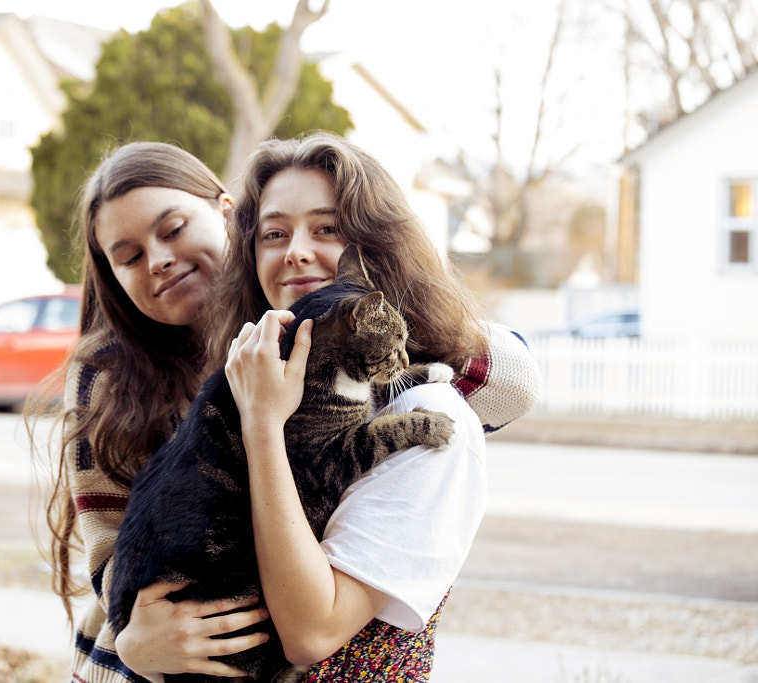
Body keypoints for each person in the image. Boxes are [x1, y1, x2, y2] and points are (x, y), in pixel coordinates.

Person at [34, 137, 539, 683]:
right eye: (128, 256)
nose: (158, 260)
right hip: (138, 655)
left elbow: (511, 383)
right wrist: (134, 645)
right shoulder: (111, 372)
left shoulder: (310, 330)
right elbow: (114, 553)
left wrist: (415, 327)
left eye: (173, 228)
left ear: (230, 219)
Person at [218, 132, 539, 678]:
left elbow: (312, 632)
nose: (295, 249)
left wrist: (262, 429)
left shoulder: (428, 414)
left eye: (327, 229)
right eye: (275, 233)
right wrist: (135, 643)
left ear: (376, 247)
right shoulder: (264, 381)